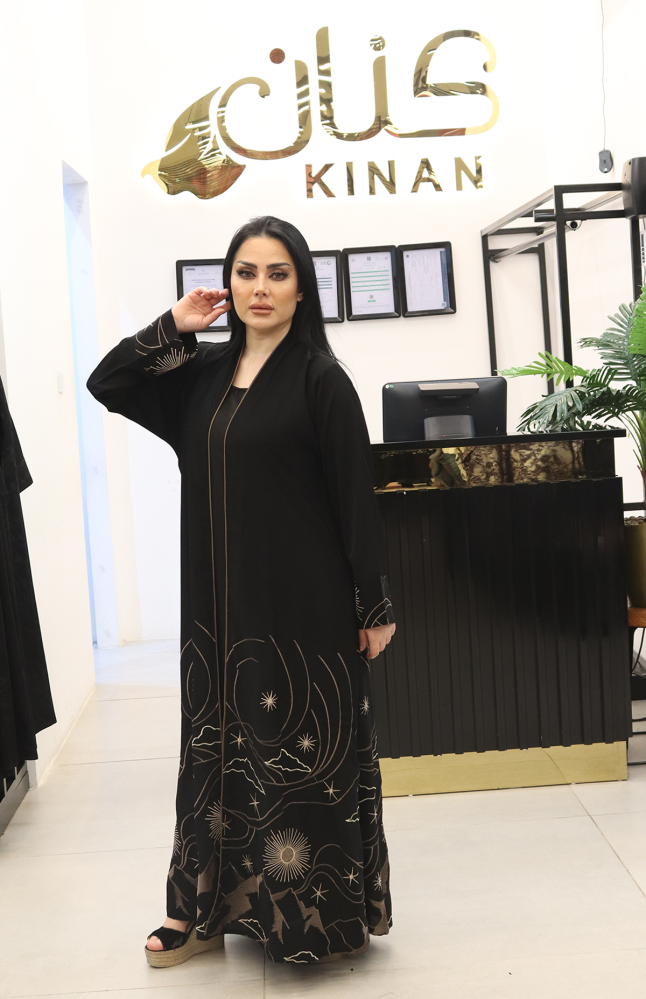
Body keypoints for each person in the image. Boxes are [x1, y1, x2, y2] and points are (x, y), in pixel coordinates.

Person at [87, 216, 396, 967]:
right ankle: (197, 911)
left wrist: (373, 604)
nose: (260, 288)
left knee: (295, 759)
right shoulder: (201, 374)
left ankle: (307, 919)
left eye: (277, 273)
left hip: (302, 609)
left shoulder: (320, 379)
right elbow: (109, 382)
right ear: (228, 282)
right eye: (246, 272)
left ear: (302, 289)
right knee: (215, 758)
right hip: (217, 612)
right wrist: (174, 326)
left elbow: (355, 498)